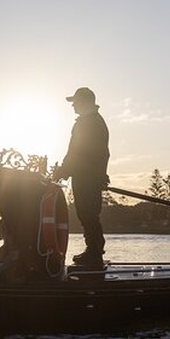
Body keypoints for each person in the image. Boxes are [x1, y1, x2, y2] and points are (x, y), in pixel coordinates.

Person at [52, 87, 110, 269]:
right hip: (87, 176)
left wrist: (64, 170)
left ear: (84, 102)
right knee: (87, 214)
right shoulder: (92, 121)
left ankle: (94, 253)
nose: (73, 106)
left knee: (88, 214)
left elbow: (78, 153)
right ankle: (93, 251)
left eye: (75, 102)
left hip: (87, 178)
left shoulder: (89, 123)